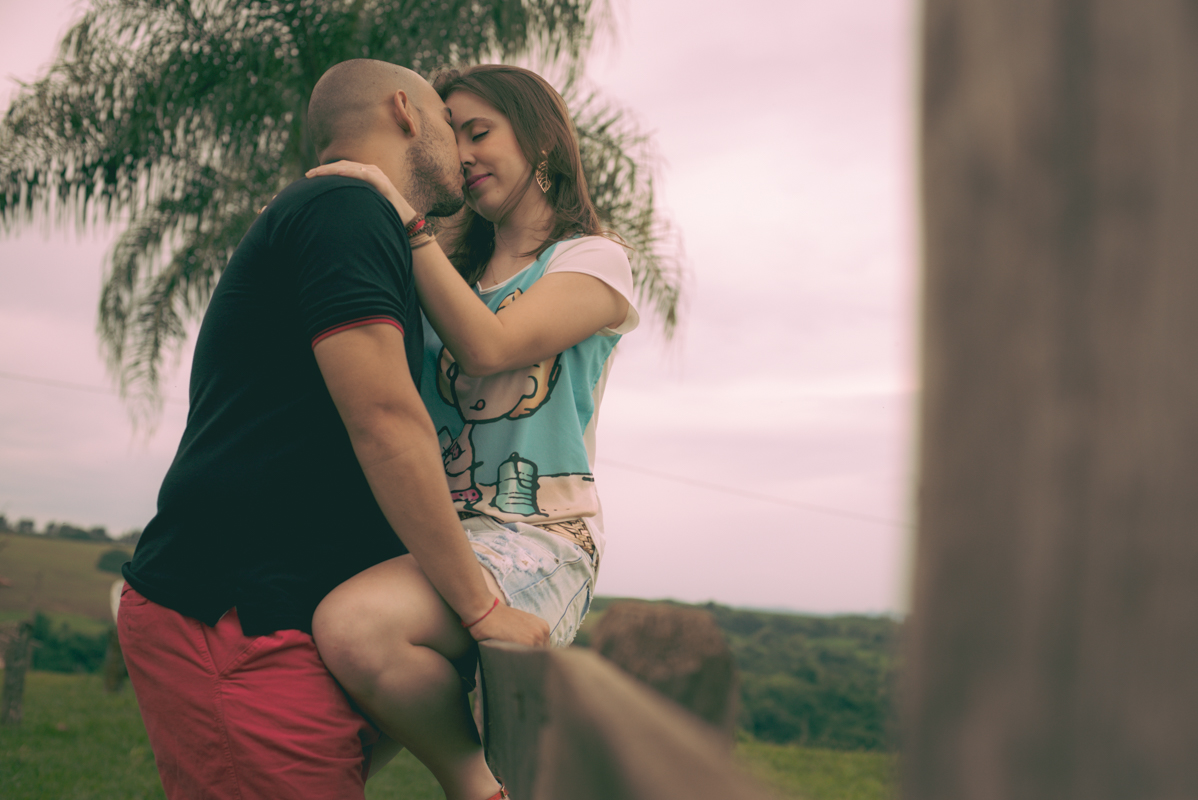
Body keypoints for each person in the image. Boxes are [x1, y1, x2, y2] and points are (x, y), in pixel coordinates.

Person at [117, 59, 548, 800]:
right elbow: (384, 420)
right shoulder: (343, 210)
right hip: (234, 621)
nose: (463, 151)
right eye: (451, 125)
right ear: (406, 111)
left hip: (276, 620)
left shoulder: (350, 221)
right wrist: (482, 610)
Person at [306, 65, 640, 800]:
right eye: (451, 134)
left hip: (538, 537)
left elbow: (490, 347)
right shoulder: (448, 273)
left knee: (356, 626)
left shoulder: (592, 260)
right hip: (437, 537)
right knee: (314, 751)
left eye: (479, 131)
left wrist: (402, 215)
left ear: (543, 140)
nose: (461, 154)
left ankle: (476, 785)